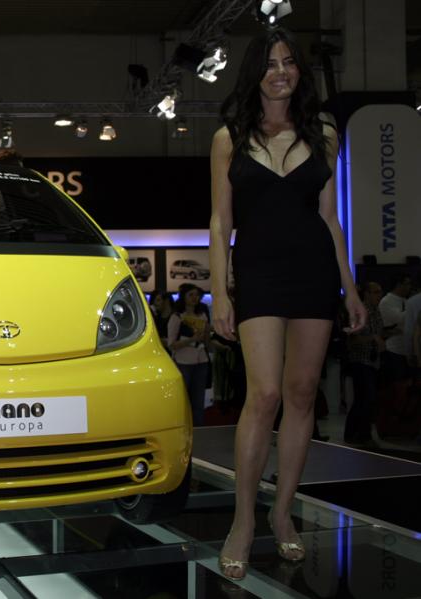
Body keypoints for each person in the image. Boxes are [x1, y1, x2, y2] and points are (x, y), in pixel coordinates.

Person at [208, 28, 367, 581]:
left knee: (301, 394)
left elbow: (330, 217)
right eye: (271, 63)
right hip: (258, 273)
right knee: (265, 394)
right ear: (255, 72)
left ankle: (282, 512)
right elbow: (220, 222)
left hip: (314, 273)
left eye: (290, 62)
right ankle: (243, 520)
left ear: (300, 70)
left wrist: (349, 287)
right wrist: (220, 291)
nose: (282, 72)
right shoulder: (229, 137)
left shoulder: (323, 133)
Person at [343, 282, 384, 446]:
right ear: (366, 293)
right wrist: (372, 338)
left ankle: (356, 433)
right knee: (366, 397)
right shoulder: (360, 311)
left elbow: (378, 333)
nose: (379, 295)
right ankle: (360, 434)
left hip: (373, 361)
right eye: (376, 292)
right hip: (360, 360)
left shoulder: (376, 311)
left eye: (380, 292)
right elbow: (352, 339)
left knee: (364, 398)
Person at [166, 284, 212, 426]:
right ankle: (182, 427)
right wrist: (192, 339)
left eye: (197, 295)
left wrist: (206, 333)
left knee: (199, 400)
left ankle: (199, 428)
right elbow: (171, 344)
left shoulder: (202, 315)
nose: (194, 298)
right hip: (183, 362)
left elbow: (207, 342)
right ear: (183, 297)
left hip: (201, 360)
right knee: (183, 399)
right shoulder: (177, 317)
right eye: (191, 295)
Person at [378, 274, 412, 382]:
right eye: (407, 284)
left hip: (406, 349)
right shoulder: (386, 301)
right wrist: (414, 307)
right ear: (398, 285)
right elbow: (399, 318)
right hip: (393, 349)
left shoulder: (406, 301)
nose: (410, 287)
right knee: (397, 383)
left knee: (407, 383)